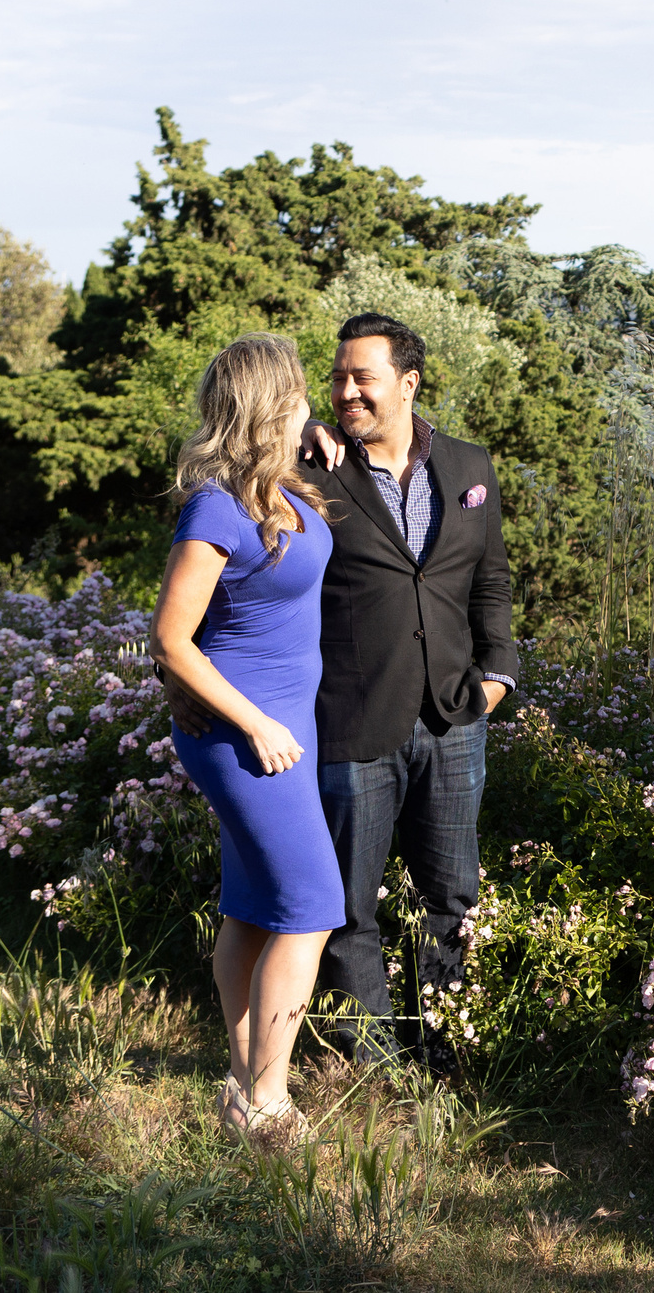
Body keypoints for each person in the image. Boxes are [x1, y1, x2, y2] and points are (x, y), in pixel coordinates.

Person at [172, 310, 517, 1070]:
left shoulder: (469, 468)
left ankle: (446, 1054)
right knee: (344, 905)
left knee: (452, 896)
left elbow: (490, 581)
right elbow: (240, 505)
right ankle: (374, 1067)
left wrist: (498, 676)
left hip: (457, 719)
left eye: (364, 376)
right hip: (348, 724)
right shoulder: (314, 471)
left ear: (409, 382)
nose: (347, 390)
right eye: (336, 378)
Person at [149, 334, 343, 1145]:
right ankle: (267, 1102)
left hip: (282, 728)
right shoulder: (216, 506)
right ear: (271, 404)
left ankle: (243, 1083)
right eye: (298, 391)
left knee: (256, 909)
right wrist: (256, 721)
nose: (310, 402)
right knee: (310, 907)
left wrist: (321, 448)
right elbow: (170, 638)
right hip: (245, 735)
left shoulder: (282, 486)